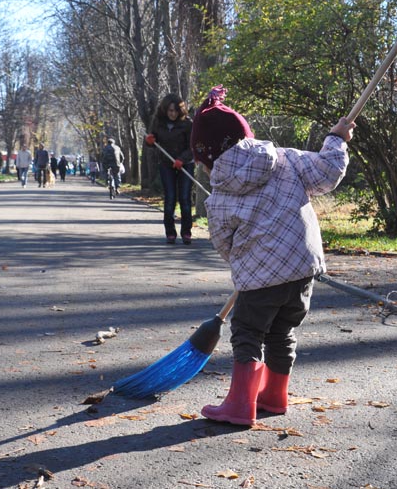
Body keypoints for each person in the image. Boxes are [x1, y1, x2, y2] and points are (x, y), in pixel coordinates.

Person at [190, 85, 353, 426]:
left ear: (207, 160)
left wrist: (244, 262)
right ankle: (275, 396)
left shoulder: (219, 195)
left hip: (261, 278)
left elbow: (223, 243)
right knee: (283, 330)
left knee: (248, 331)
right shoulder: (287, 158)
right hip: (302, 268)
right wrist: (336, 139)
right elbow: (327, 172)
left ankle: (239, 406)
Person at [144, 94, 195, 245]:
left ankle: (186, 232)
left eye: (175, 111)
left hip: (185, 163)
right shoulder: (158, 123)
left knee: (185, 199)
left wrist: (182, 159)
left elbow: (192, 147)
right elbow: (153, 141)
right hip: (166, 164)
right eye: (170, 111)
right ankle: (170, 233)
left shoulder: (188, 124)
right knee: (170, 198)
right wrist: (150, 141)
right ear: (165, 110)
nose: (172, 114)